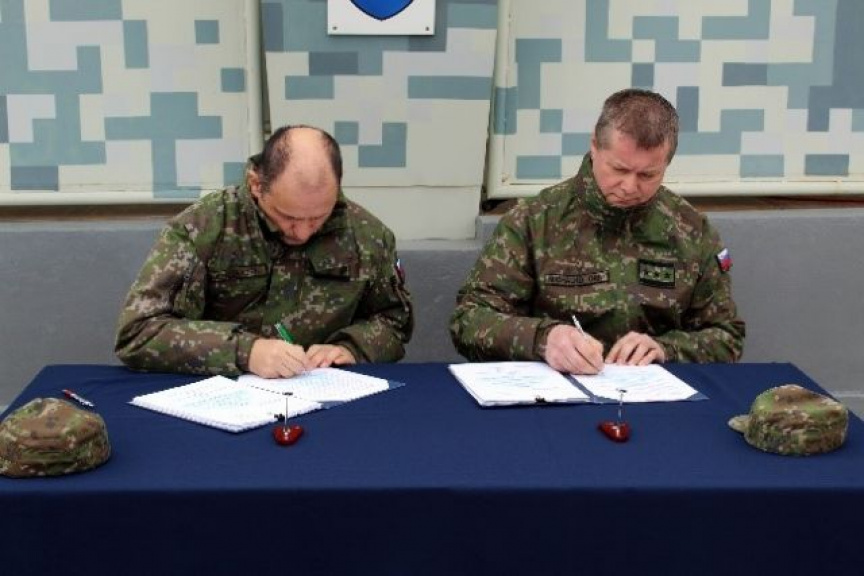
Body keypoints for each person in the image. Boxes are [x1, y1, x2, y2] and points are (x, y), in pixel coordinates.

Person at [450, 88, 745, 374]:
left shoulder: (691, 231)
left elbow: (726, 337)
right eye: (619, 169)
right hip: (554, 392)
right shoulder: (533, 222)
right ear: (594, 145)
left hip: (652, 393)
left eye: (647, 175)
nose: (629, 187)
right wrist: (544, 339)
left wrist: (666, 349)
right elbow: (470, 321)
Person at [116, 125, 413, 378]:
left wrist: (352, 348)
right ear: (256, 184)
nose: (303, 232)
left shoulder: (368, 237)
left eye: (318, 218)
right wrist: (244, 351)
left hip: (321, 397)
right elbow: (139, 333)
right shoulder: (202, 229)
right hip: (223, 401)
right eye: (288, 217)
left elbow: (393, 321)